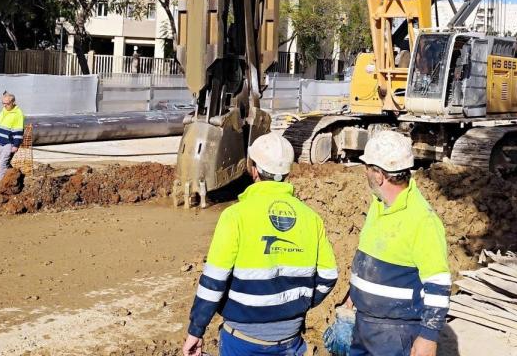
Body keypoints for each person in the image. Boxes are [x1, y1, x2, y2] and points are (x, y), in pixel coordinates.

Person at [183, 132, 338, 356]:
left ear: (253, 169)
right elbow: (329, 275)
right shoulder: (311, 218)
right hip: (291, 340)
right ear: (287, 172)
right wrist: (300, 303)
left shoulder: (235, 216)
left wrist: (196, 331)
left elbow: (214, 281)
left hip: (243, 341)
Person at [346, 130, 451, 356]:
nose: (364, 172)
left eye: (368, 167)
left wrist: (428, 337)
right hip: (364, 324)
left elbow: (438, 284)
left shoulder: (422, 220)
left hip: (396, 333)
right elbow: (369, 257)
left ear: (378, 175)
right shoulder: (378, 205)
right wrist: (353, 295)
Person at [0, 93, 24, 180]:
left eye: (7, 104)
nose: (4, 105)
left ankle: (1, 183)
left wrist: (16, 145)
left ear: (13, 102)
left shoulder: (18, 114)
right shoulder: (3, 111)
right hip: (0, 142)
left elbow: (19, 131)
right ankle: (17, 176)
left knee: (3, 164)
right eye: (3, 103)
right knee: (3, 163)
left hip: (9, 143)